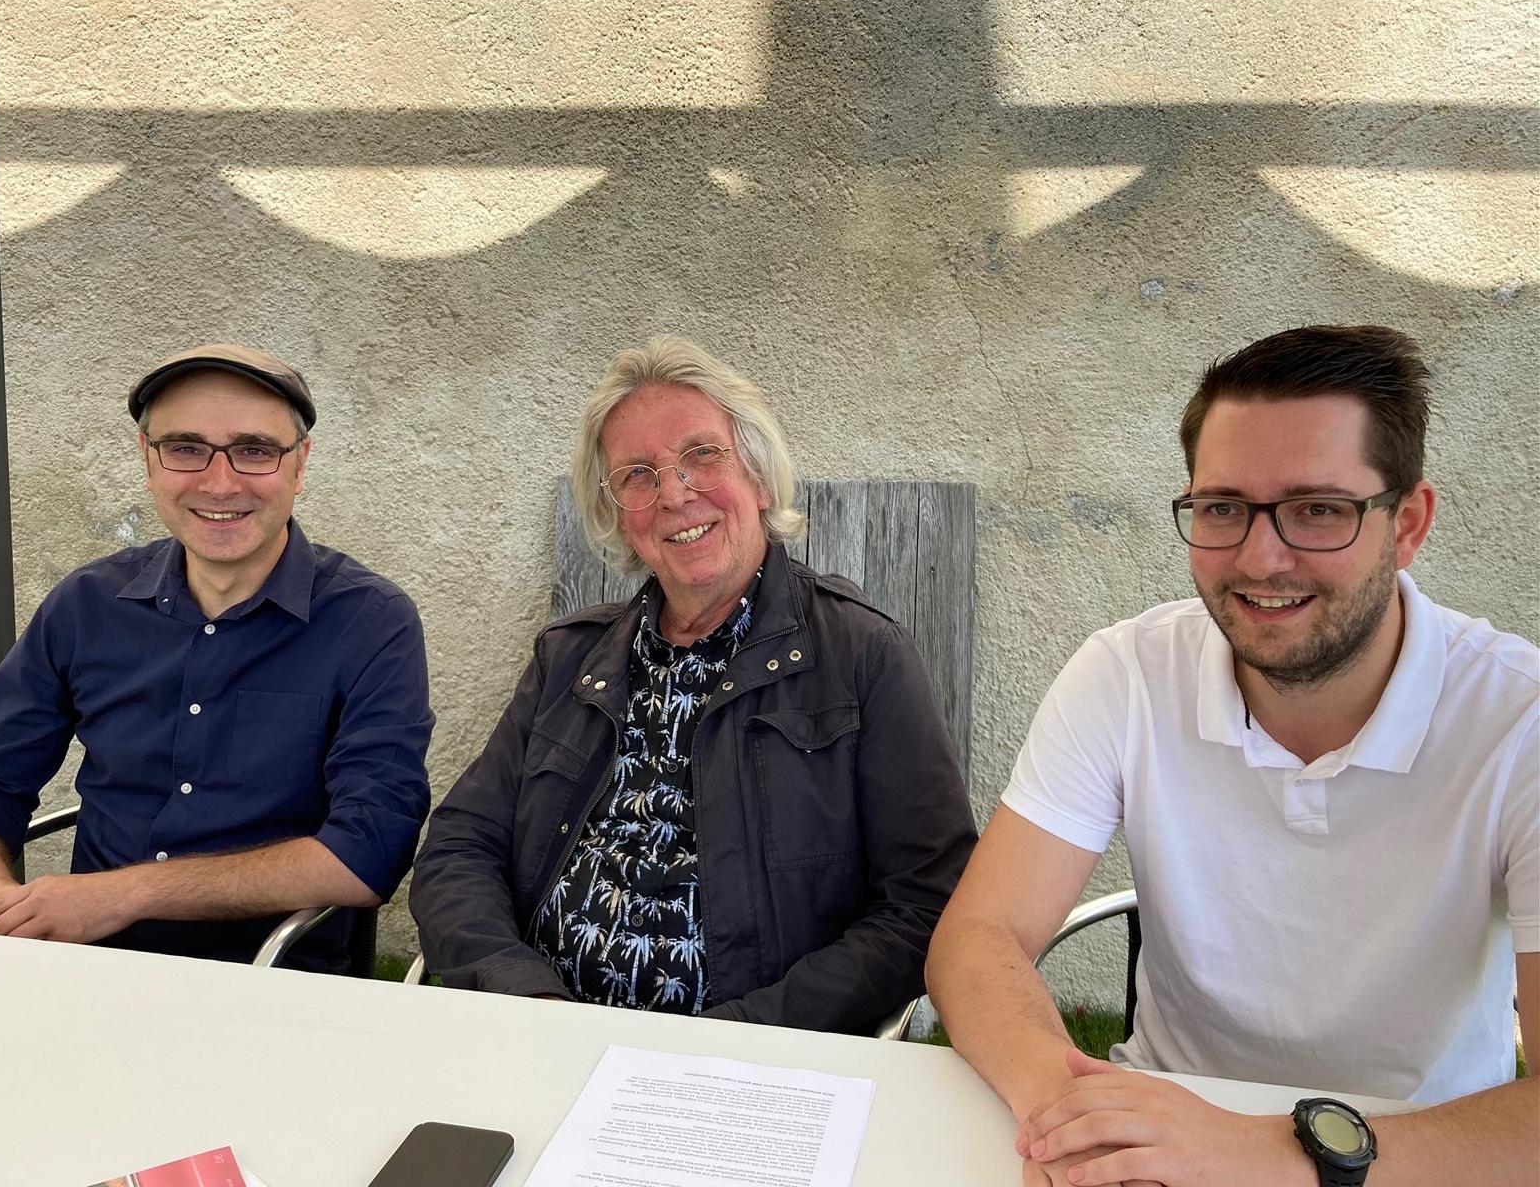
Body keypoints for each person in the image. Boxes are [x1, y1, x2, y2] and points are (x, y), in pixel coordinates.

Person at [927, 325, 1538, 1185]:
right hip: (1164, 1131)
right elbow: (978, 936)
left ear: (1406, 524)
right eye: (1222, 508)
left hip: (1416, 1154)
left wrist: (1266, 1156)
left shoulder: (1519, 719)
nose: (1259, 556)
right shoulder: (1127, 673)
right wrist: (1073, 1118)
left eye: (1317, 509)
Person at [411, 334, 976, 1032]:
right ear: (619, 511)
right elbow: (460, 847)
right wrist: (522, 995)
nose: (674, 493)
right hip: (544, 1034)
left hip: (747, 1057)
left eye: (701, 455)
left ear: (759, 479)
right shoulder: (570, 659)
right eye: (638, 474)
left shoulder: (861, 654)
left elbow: (926, 902)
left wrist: (741, 1033)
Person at [0, 344, 433, 970]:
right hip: (84, 967)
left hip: (274, 978)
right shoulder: (87, 605)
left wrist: (127, 893)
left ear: (300, 464)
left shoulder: (370, 622)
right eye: (184, 447)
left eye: (255, 449)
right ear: (148, 460)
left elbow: (370, 850)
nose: (219, 481)